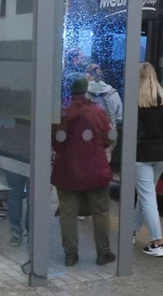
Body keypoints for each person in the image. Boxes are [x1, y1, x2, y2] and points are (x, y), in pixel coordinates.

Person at [51, 73, 115, 267]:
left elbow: (56, 143)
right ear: (86, 90)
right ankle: (103, 253)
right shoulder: (97, 111)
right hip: (95, 170)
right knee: (101, 211)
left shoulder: (60, 112)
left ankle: (70, 254)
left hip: (67, 172)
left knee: (67, 214)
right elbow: (107, 139)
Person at [134, 62, 163, 257]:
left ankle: (157, 243)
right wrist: (162, 142)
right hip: (161, 155)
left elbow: (134, 130)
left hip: (142, 154)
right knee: (145, 196)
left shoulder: (137, 101)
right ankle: (131, 231)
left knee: (148, 197)